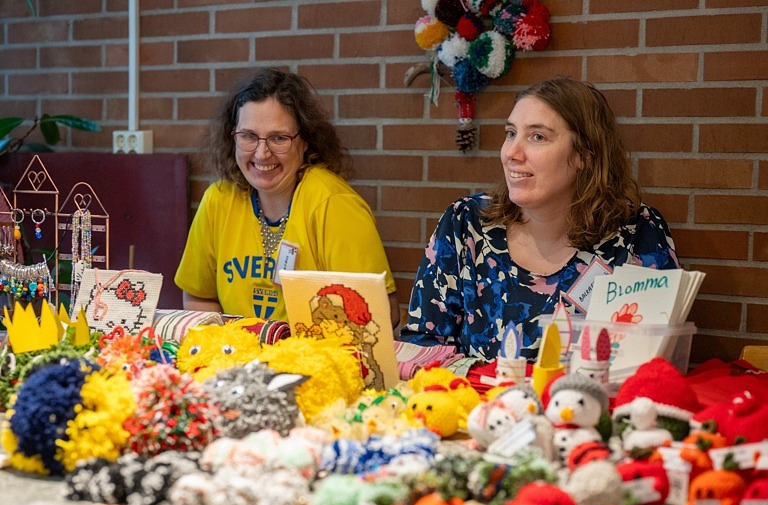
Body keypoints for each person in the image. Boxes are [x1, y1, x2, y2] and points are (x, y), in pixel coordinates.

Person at [399, 76, 679, 366]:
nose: (511, 153)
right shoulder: (466, 223)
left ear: (584, 154)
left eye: (538, 137)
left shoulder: (636, 234)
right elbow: (422, 348)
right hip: (473, 407)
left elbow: (648, 368)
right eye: (510, 133)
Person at [175, 68, 399, 326]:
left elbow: (380, 313)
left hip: (313, 359)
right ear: (232, 137)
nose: (261, 154)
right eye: (248, 136)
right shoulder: (218, 200)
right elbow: (197, 295)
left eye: (278, 138)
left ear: (305, 142)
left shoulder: (332, 203)